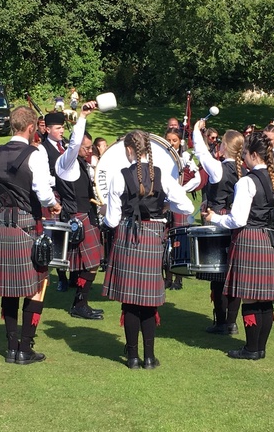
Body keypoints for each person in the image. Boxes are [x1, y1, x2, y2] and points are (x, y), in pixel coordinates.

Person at [102, 130, 193, 369]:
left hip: (128, 236)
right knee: (149, 301)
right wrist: (164, 206)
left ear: (129, 150)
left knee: (130, 301)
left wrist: (105, 213)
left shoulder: (119, 176)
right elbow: (186, 206)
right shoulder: (162, 176)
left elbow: (111, 221)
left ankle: (132, 358)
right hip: (153, 237)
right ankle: (150, 358)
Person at [0, 106, 62, 364]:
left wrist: (3, 210)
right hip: (27, 225)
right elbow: (43, 192)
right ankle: (25, 348)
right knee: (37, 287)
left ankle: (12, 348)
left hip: (3, 227)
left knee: (9, 290)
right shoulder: (34, 154)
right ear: (30, 128)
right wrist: (53, 205)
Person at [204, 131, 274, 359]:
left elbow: (237, 219)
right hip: (272, 240)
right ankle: (260, 348)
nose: (242, 159)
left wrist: (216, 219)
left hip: (250, 239)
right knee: (265, 299)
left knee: (251, 297)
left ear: (253, 154)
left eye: (244, 155)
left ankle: (251, 349)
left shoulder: (246, 181)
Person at [192, 121, 244, 335]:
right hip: (235, 221)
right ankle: (230, 321)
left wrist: (196, 131)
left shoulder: (219, 168)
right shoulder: (244, 169)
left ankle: (223, 322)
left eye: (221, 143)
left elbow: (202, 155)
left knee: (217, 274)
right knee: (232, 273)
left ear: (225, 147)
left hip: (218, 220)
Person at [55, 101, 105, 320]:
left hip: (86, 214)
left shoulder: (80, 163)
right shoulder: (67, 161)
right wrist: (83, 117)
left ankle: (80, 302)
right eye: (86, 147)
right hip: (78, 217)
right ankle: (79, 304)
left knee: (90, 263)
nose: (88, 150)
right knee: (92, 263)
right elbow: (75, 144)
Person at [163, 126, 201, 290]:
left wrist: (181, 190)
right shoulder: (160, 156)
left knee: (179, 240)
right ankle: (167, 277)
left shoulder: (185, 156)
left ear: (180, 141)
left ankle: (179, 278)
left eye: (175, 141)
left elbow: (197, 178)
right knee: (165, 240)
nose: (171, 143)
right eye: (169, 140)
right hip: (164, 203)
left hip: (178, 204)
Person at [38, 111, 71, 291]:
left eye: (63, 127)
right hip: (54, 196)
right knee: (56, 236)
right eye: (58, 128)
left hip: (68, 196)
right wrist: (60, 179)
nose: (61, 131)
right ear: (48, 129)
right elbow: (43, 177)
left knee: (72, 233)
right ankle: (61, 277)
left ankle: (73, 274)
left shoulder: (65, 146)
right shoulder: (43, 149)